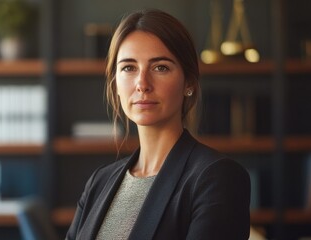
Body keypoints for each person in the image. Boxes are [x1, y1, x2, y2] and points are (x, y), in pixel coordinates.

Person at [66, 9, 250, 240]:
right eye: (128, 68)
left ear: (188, 83)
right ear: (115, 84)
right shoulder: (99, 182)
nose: (142, 84)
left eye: (160, 67)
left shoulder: (217, 178)